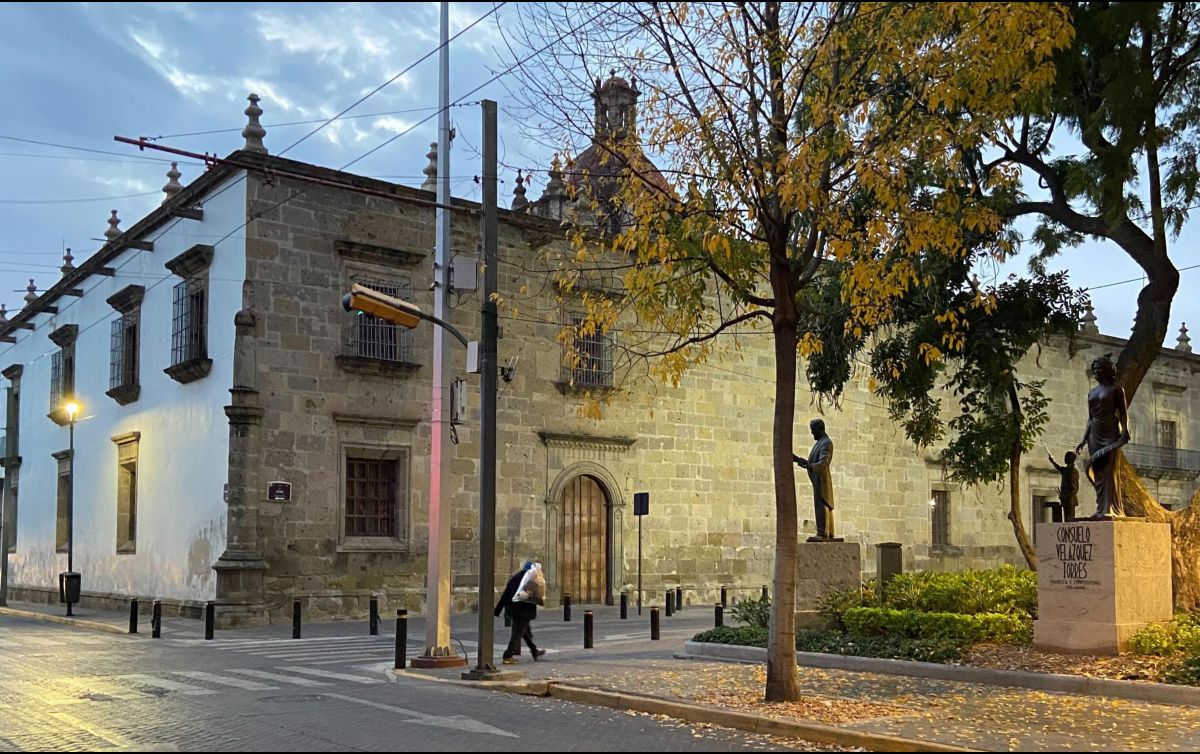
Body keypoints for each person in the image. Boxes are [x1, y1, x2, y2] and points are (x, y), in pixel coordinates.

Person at [1075, 354, 1131, 518]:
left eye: (1100, 369)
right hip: (1095, 434)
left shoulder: (1116, 390)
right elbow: (1090, 418)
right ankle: (1101, 509)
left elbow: (1123, 413)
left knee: (1109, 470)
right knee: (1099, 472)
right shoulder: (1092, 393)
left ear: (1107, 371)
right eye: (1095, 370)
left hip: (1111, 432)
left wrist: (1126, 429)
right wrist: (1084, 439)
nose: (1097, 373)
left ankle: (1110, 509)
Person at [494, 561, 545, 664]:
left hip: (513, 610)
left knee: (525, 632)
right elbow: (537, 597)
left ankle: (534, 650)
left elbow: (505, 594)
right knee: (518, 633)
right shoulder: (531, 580)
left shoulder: (515, 578)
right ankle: (508, 656)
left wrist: (497, 610)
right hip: (523, 612)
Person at [793, 418, 835, 540]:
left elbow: (823, 463)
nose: (812, 433)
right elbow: (812, 463)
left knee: (822, 505)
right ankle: (828, 532)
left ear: (819, 429)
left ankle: (823, 533)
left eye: (813, 430)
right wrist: (798, 460)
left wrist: (809, 466)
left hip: (822, 481)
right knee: (823, 504)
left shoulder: (826, 443)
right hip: (818, 481)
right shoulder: (820, 442)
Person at [1047, 450, 1080, 521]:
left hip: (1070, 501)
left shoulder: (1073, 471)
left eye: (1066, 457)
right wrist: (1052, 461)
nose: (1064, 459)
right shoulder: (1067, 469)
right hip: (1066, 500)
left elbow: (1074, 488)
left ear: (1070, 459)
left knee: (1069, 521)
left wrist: (1065, 496)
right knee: (1066, 520)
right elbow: (1060, 468)